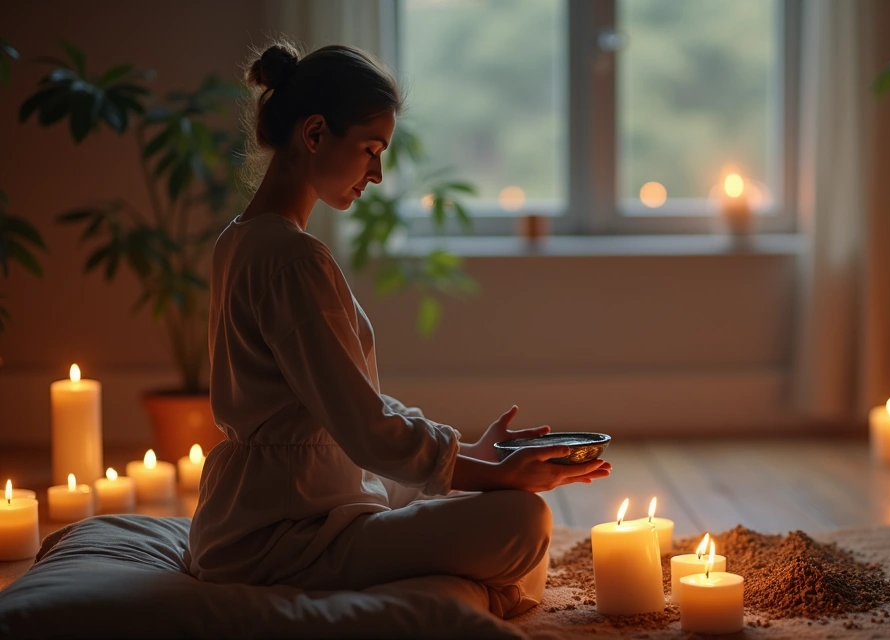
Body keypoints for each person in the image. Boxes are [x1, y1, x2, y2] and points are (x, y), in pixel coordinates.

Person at [186, 41, 611, 620]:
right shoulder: (292, 259)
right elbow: (366, 430)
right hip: (284, 535)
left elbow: (345, 406)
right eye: (370, 149)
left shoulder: (239, 239)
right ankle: (465, 597)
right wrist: (487, 471)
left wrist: (470, 454)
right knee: (522, 520)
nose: (378, 174)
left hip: (283, 499)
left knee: (487, 491)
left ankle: (461, 579)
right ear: (314, 134)